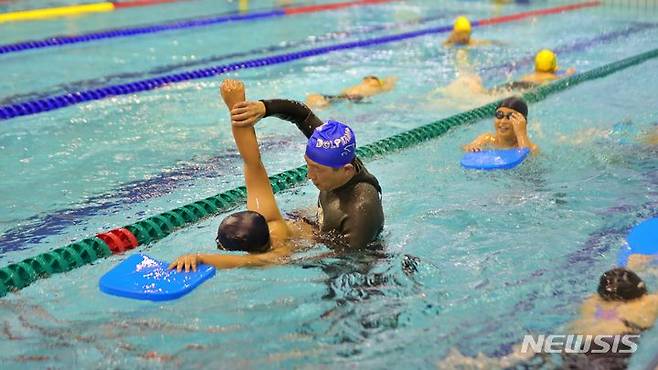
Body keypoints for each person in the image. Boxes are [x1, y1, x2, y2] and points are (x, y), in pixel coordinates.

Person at [169, 80, 315, 272]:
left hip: (316, 230)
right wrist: (236, 105)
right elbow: (252, 163)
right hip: (304, 220)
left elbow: (249, 262)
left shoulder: (279, 254)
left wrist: (200, 258)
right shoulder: (267, 220)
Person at [226, 80, 384, 250]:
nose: (309, 175)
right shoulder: (336, 153)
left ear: (347, 170)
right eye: (309, 165)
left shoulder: (359, 211)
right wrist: (264, 108)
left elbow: (345, 263)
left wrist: (286, 257)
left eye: (317, 170)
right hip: (322, 227)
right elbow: (302, 115)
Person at [439, 268, 658, 370]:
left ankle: (484, 363)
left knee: (538, 347)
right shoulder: (647, 303)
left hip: (572, 345)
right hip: (610, 349)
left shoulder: (591, 301)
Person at [462, 96, 539, 155]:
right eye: (499, 115)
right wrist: (471, 147)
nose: (502, 121)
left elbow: (528, 162)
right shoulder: (488, 139)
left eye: (510, 117)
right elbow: (465, 147)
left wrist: (521, 133)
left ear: (522, 122)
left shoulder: (531, 148)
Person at [305, 75, 397, 108]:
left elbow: (389, 83)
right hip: (344, 97)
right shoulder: (366, 83)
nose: (368, 78)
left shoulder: (378, 86)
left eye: (373, 77)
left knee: (319, 101)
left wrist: (391, 80)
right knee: (312, 97)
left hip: (355, 97)